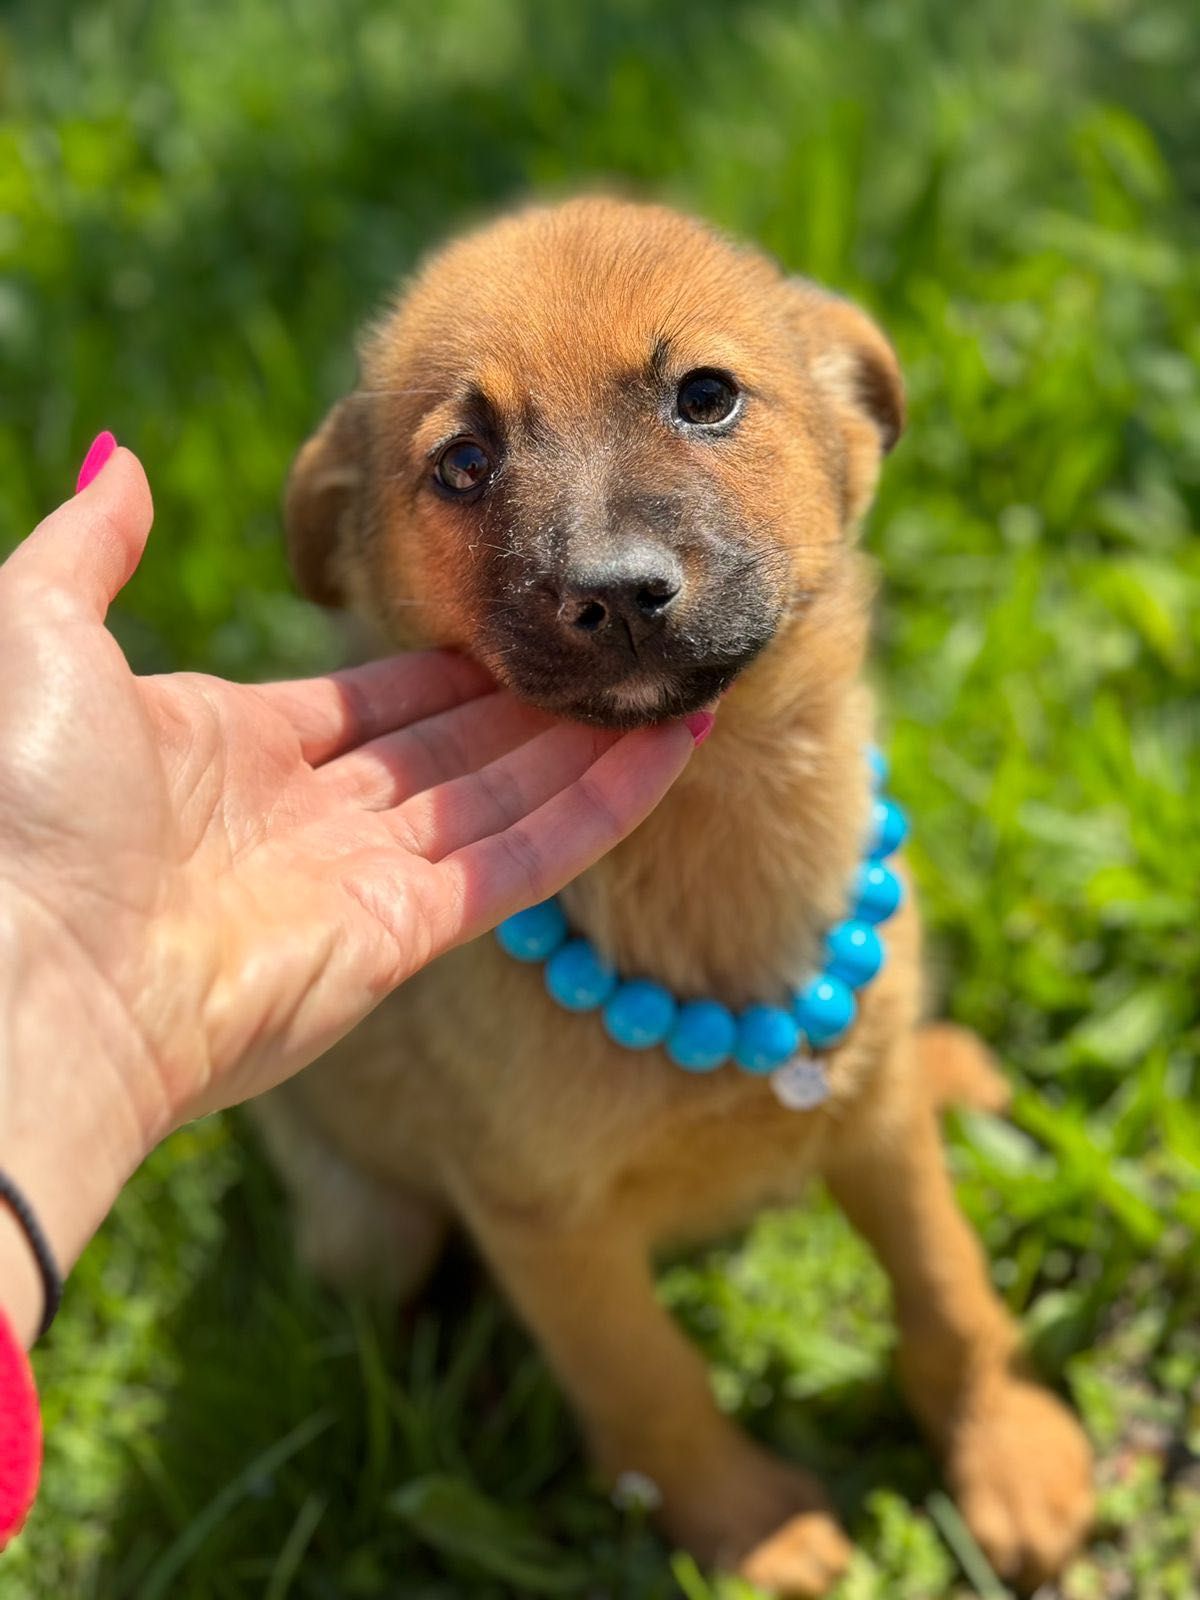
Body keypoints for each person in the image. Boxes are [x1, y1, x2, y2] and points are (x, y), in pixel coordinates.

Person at [0, 433, 706, 1543]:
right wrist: (47, 923)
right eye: (466, 465)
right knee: (377, 1244)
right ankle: (437, 1347)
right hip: (396, 1150)